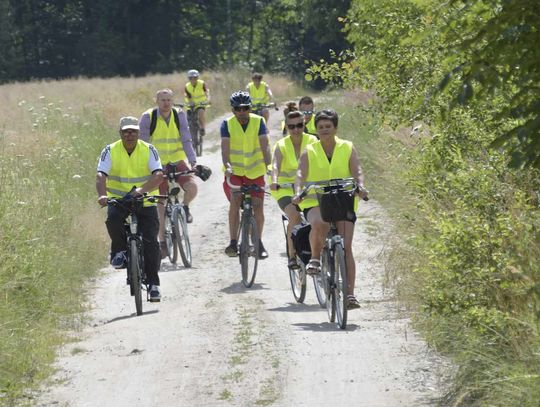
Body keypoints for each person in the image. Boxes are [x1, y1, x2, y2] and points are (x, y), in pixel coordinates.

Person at [292, 109, 368, 310]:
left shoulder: (347, 147)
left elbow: (357, 170)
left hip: (343, 199)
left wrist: (360, 186)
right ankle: (316, 258)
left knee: (346, 247)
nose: (324, 130)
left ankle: (350, 295)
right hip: (316, 200)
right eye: (320, 127)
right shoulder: (310, 150)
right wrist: (298, 192)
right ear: (316, 130)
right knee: (320, 222)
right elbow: (300, 174)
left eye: (328, 127)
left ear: (335, 128)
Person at [96, 116, 164, 301]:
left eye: (133, 131)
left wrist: (141, 191)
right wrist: (102, 195)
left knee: (151, 241)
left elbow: (158, 174)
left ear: (138, 132)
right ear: (120, 133)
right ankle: (119, 252)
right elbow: (101, 175)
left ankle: (153, 284)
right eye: (126, 131)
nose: (129, 134)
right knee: (112, 220)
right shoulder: (110, 150)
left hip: (145, 199)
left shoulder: (149, 149)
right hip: (119, 199)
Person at [139, 89, 198, 259]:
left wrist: (192, 160)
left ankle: (185, 208)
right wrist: (145, 167)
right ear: (156, 101)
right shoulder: (148, 117)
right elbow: (142, 144)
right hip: (158, 165)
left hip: (177, 161)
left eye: (169, 100)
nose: (166, 103)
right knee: (161, 205)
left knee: (192, 187)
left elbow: (186, 138)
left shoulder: (179, 115)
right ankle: (163, 243)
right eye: (163, 100)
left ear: (173, 101)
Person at [221, 90, 271, 259]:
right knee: (235, 202)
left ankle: (258, 242)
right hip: (234, 172)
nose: (241, 112)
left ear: (250, 108)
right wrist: (227, 166)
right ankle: (233, 242)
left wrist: (269, 165)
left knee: (258, 206)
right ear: (233, 110)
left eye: (245, 108)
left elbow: (265, 146)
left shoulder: (259, 122)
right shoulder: (226, 124)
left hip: (255, 171)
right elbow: (225, 149)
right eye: (237, 109)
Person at [269, 109, 318, 269]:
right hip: (284, 189)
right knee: (295, 216)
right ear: (287, 127)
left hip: (306, 188)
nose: (296, 129)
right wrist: (275, 180)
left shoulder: (312, 140)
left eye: (299, 125)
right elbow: (275, 164)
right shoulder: (281, 145)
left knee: (320, 216)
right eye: (292, 127)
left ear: (304, 124)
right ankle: (292, 255)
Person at [184, 69, 210, 136]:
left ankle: (202, 128)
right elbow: (188, 96)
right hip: (191, 104)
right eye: (191, 78)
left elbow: (207, 92)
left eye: (195, 78)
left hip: (201, 103)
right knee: (188, 119)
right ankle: (190, 134)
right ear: (189, 79)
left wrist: (208, 100)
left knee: (201, 113)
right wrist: (190, 103)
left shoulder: (202, 83)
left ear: (197, 77)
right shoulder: (187, 86)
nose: (193, 80)